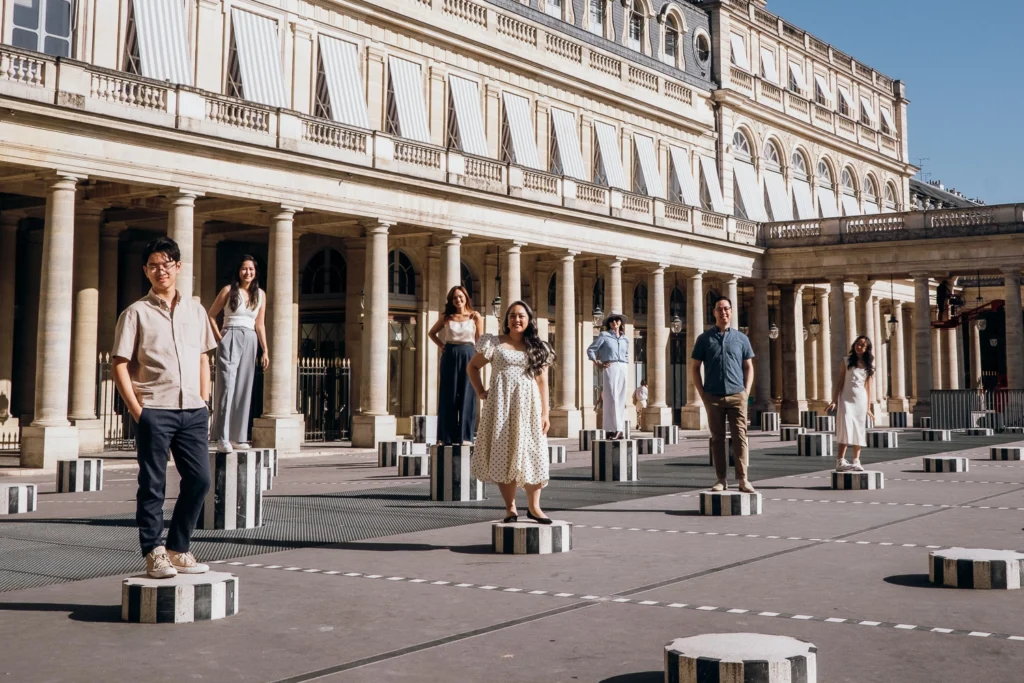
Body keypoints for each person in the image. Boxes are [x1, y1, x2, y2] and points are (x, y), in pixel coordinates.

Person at [111, 237, 217, 579]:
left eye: (167, 264)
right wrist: (137, 410)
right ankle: (154, 552)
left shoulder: (196, 310)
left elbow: (203, 356)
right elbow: (119, 364)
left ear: (178, 267)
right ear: (146, 271)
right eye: (154, 266)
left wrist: (205, 398)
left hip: (192, 410)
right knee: (153, 484)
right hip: (155, 409)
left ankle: (178, 547)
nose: (161, 271)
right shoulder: (135, 313)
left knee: (200, 480)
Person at [468, 301, 555, 524]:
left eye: (521, 316)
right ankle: (511, 508)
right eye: (513, 316)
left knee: (534, 453)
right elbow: (472, 367)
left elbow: (543, 381)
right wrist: (480, 391)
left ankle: (535, 507)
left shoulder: (538, 347)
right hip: (501, 407)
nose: (517, 319)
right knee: (503, 453)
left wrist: (546, 413)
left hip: (529, 408)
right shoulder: (494, 343)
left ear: (529, 320)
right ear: (506, 320)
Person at [690, 296, 755, 493]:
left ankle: (743, 479)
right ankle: (721, 479)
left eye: (726, 309)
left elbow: (748, 367)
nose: (723, 312)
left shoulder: (742, 339)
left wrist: (746, 392)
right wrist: (702, 393)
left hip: (737, 395)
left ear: (732, 312)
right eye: (719, 309)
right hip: (713, 396)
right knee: (717, 438)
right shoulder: (704, 339)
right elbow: (694, 367)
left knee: (740, 437)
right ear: (714, 313)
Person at [207, 255, 269, 453]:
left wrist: (265, 349)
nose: (247, 272)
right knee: (227, 387)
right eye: (244, 269)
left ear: (255, 272)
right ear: (238, 271)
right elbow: (210, 314)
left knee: (244, 387)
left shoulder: (260, 294)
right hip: (231, 334)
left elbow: (260, 324)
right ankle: (222, 437)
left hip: (250, 337)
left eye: (251, 269)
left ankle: (238, 436)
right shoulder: (228, 290)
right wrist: (220, 339)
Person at [428, 285, 483, 445]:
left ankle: (465, 436)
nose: (458, 300)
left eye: (460, 296)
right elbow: (431, 333)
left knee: (467, 393)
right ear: (451, 301)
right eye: (454, 298)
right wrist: (442, 345)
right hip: (450, 354)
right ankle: (446, 436)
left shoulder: (475, 317)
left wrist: (479, 360)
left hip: (469, 353)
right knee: (448, 395)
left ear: (466, 297)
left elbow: (480, 340)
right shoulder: (447, 317)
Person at [827, 335, 876, 472]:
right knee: (845, 427)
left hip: (860, 399)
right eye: (857, 344)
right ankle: (840, 461)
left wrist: (868, 408)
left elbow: (868, 387)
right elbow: (840, 381)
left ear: (867, 349)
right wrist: (834, 400)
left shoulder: (869, 365)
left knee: (858, 429)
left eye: (863, 345)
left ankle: (856, 460)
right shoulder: (846, 360)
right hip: (846, 399)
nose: (859, 347)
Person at [587, 313, 629, 439]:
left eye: (616, 320)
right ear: (609, 324)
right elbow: (591, 349)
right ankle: (613, 429)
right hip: (611, 367)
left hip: (623, 366)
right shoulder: (604, 335)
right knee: (612, 397)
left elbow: (626, 354)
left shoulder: (625, 339)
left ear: (620, 322)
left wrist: (626, 364)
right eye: (611, 321)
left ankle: (619, 429)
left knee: (621, 398)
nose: (614, 322)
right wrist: (597, 363)